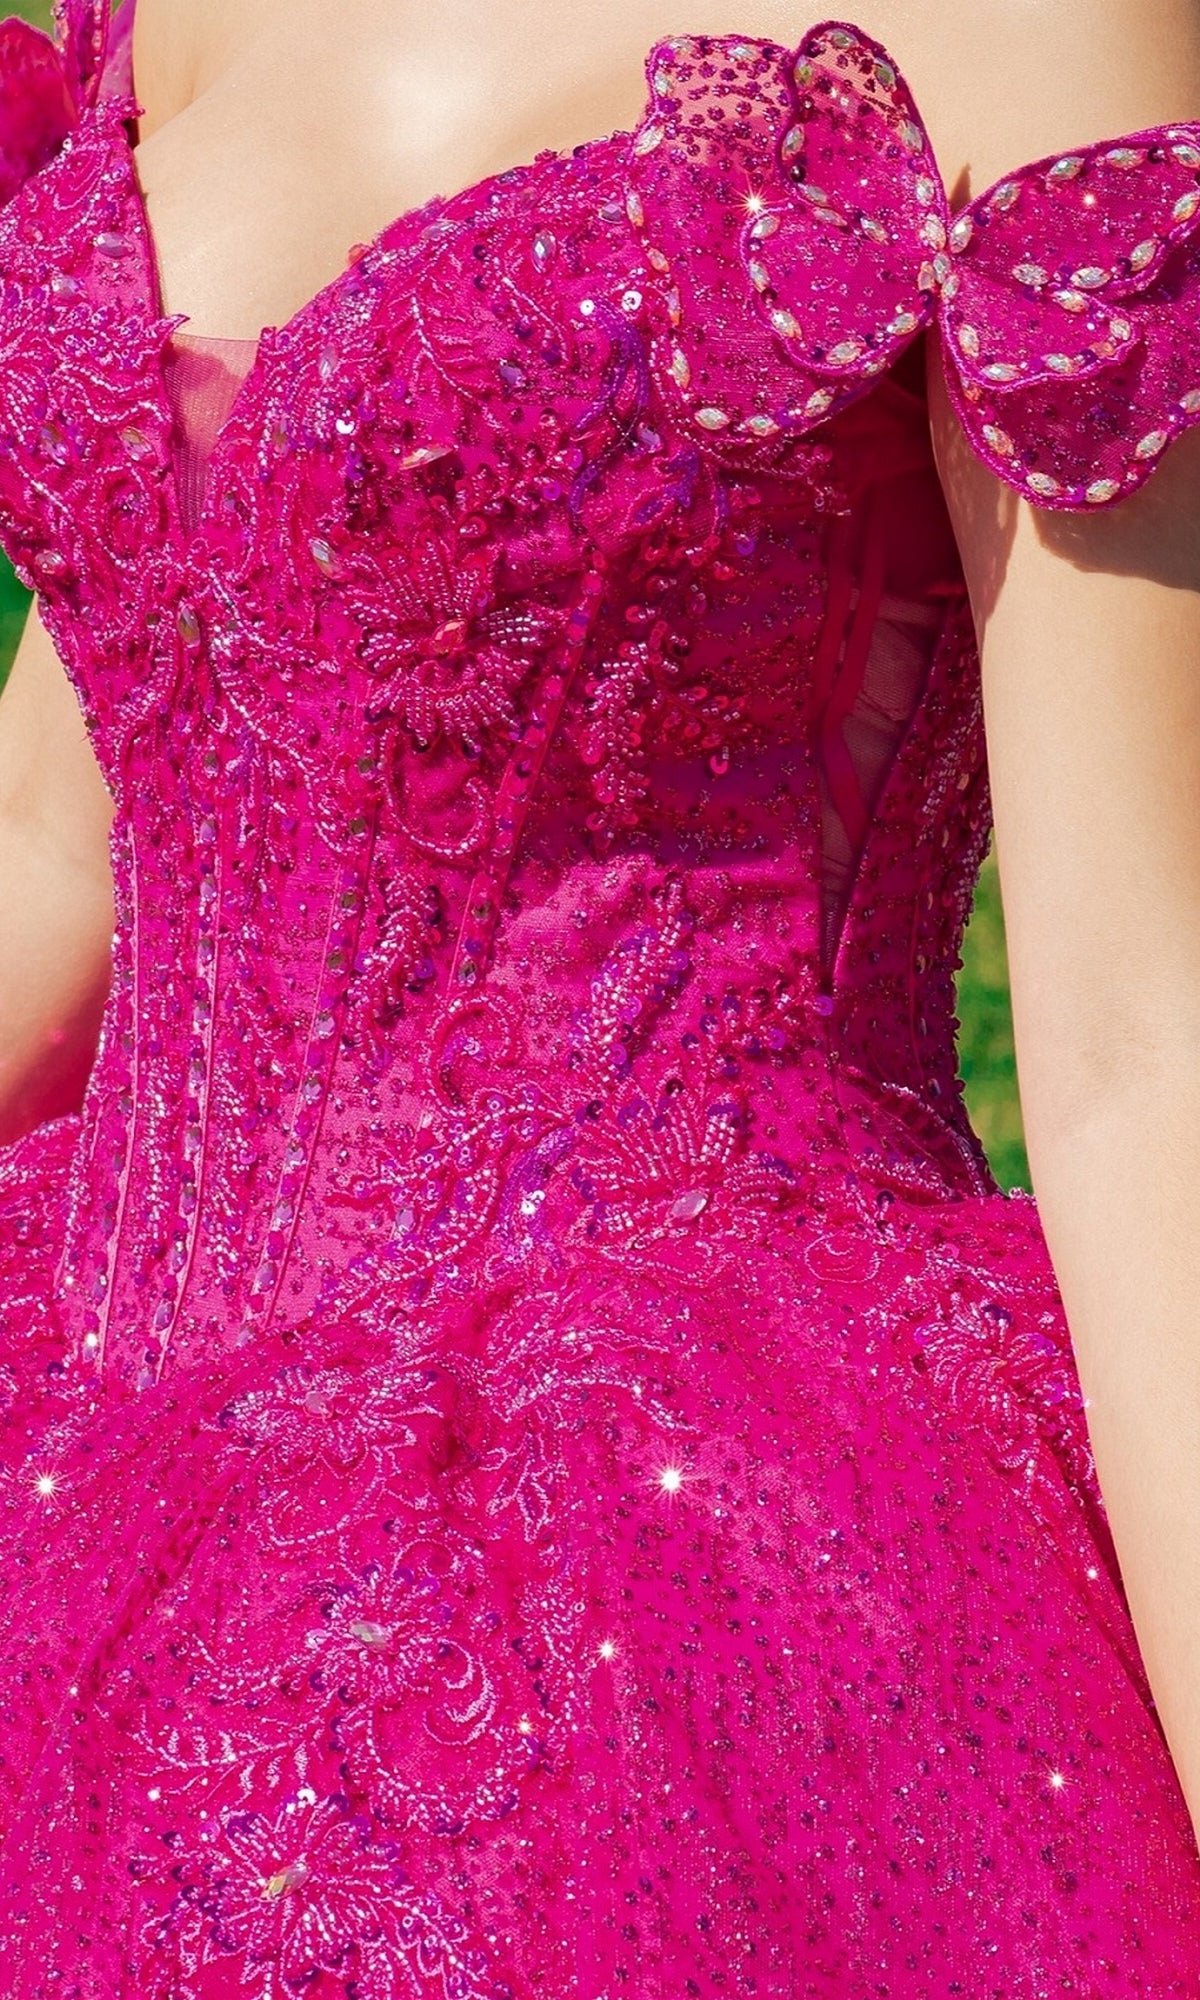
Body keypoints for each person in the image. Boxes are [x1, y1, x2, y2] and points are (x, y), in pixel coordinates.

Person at [1, 0, 1200, 1986]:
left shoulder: (1020, 28)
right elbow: (76, 834)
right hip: (78, 1493)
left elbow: (1142, 1039)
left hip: (670, 1610)